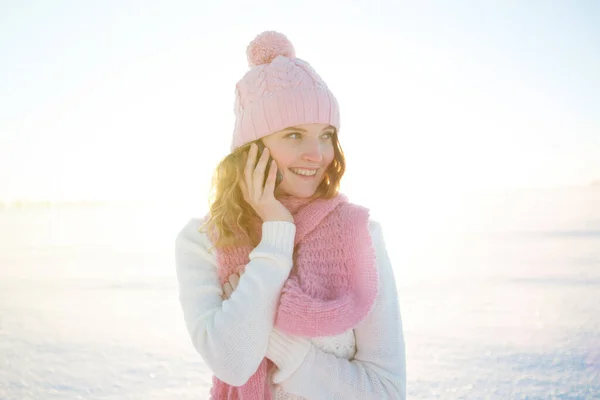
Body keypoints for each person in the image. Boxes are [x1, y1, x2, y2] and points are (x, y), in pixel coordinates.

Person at [175, 30, 406, 399]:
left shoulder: (359, 235)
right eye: (295, 135)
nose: (318, 153)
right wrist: (277, 232)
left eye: (326, 134)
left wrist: (278, 343)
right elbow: (233, 362)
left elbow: (386, 391)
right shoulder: (202, 241)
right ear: (252, 149)